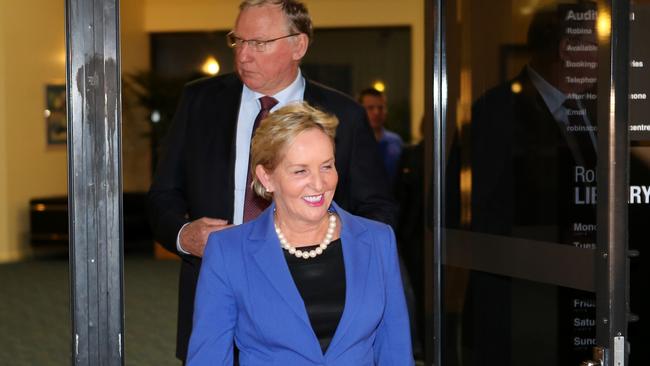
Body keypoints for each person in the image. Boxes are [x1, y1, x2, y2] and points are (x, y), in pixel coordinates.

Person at [147, 0, 396, 362]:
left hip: (313, 308)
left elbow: (378, 209)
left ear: (298, 45)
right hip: (218, 309)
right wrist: (186, 236)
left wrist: (330, 248)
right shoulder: (199, 102)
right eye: (238, 41)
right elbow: (161, 196)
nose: (243, 55)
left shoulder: (344, 115)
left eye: (259, 43)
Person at [187, 102, 414, 365]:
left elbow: (395, 351)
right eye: (300, 170)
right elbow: (208, 358)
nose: (319, 183)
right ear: (266, 177)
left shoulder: (378, 241)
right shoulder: (228, 251)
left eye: (327, 166)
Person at [359, 88, 404, 186]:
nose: (376, 112)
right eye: (370, 108)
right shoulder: (353, 142)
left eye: (380, 108)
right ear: (360, 110)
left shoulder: (396, 141)